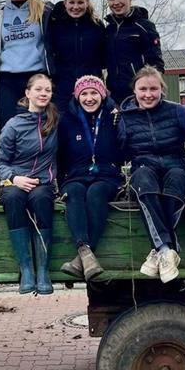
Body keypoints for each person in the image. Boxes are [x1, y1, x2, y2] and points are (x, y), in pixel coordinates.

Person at [117, 66, 185, 284]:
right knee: (141, 178)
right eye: (142, 89)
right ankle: (167, 249)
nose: (148, 94)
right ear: (134, 90)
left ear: (162, 89)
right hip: (144, 166)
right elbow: (120, 153)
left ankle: (159, 249)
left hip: (175, 164)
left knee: (178, 178)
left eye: (153, 88)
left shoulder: (178, 112)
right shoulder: (125, 118)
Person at [0, 74, 60, 295]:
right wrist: (14, 178)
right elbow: (0, 161)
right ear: (28, 93)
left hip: (43, 181)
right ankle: (26, 269)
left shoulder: (55, 120)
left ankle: (43, 270)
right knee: (12, 198)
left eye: (48, 90)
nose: (43, 94)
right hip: (16, 180)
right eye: (39, 89)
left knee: (41, 198)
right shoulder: (13, 125)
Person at [57, 76, 122, 281]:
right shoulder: (67, 121)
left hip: (106, 175)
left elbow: (123, 148)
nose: (89, 98)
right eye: (84, 94)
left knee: (96, 192)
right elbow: (60, 155)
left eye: (94, 93)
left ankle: (82, 257)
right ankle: (85, 252)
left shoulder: (113, 118)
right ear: (77, 97)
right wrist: (59, 183)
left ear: (102, 95)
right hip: (76, 174)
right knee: (74, 192)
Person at [0, 0, 54, 129]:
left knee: (37, 125)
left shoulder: (43, 10)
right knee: (8, 126)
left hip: (36, 76)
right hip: (7, 78)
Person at [104, 0, 165, 104]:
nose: (116, 2)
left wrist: (147, 91)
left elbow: (156, 63)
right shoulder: (108, 30)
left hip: (139, 96)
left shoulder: (144, 26)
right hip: (114, 97)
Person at [48, 0, 105, 113]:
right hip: (62, 87)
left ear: (87, 3)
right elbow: (48, 52)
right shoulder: (55, 25)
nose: (76, 7)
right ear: (65, 3)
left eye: (80, 2)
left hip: (90, 88)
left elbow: (104, 57)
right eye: (71, 2)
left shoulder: (97, 26)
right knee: (62, 125)